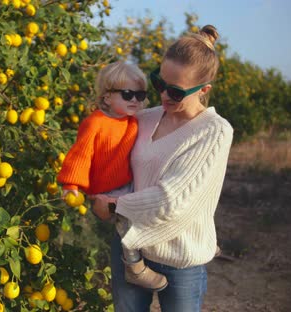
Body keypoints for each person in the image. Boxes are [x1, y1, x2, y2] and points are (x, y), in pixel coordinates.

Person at [91, 25, 234, 312]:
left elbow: (172, 200)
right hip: (129, 248)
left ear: (203, 90)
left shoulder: (214, 132)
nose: (163, 96)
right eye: (159, 83)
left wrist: (115, 205)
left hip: (181, 259)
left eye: (176, 92)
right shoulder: (144, 118)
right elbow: (119, 166)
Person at [57, 61, 168, 291]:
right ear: (107, 97)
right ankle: (134, 268)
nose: (135, 101)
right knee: (126, 225)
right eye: (128, 94)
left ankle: (186, 243)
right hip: (107, 190)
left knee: (152, 208)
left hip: (129, 184)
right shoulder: (95, 123)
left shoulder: (133, 121)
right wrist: (71, 183)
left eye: (140, 95)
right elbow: (81, 153)